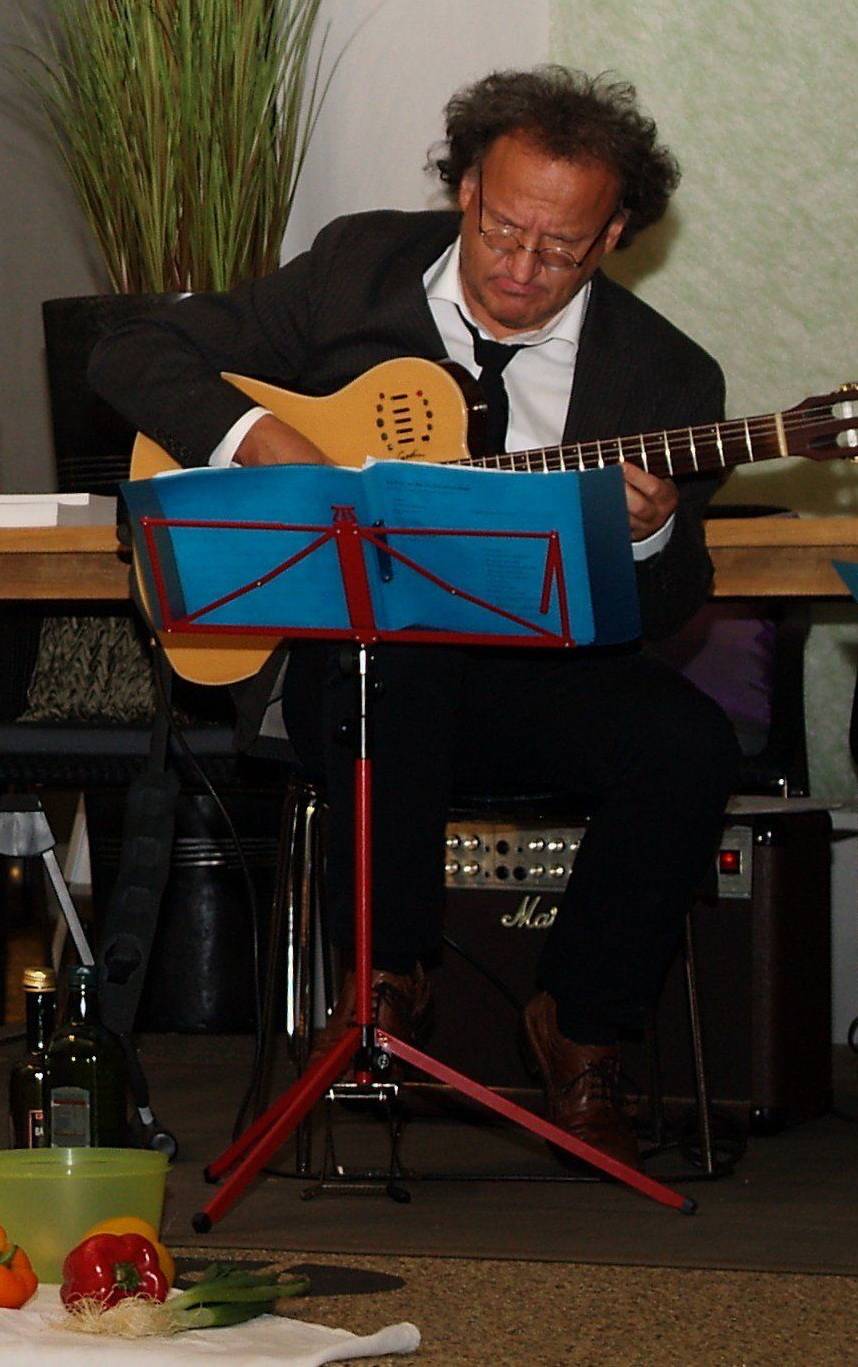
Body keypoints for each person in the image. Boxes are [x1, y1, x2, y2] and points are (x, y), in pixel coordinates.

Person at [90, 67, 741, 1167]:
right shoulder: (357, 270)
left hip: (536, 683)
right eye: (502, 229)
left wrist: (646, 532)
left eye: (560, 248)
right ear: (465, 189)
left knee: (689, 741)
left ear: (614, 235)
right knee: (397, 656)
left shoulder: (665, 376)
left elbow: (671, 603)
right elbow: (130, 350)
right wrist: (260, 440)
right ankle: (384, 984)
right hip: (352, 671)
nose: (520, 267)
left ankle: (581, 1026)